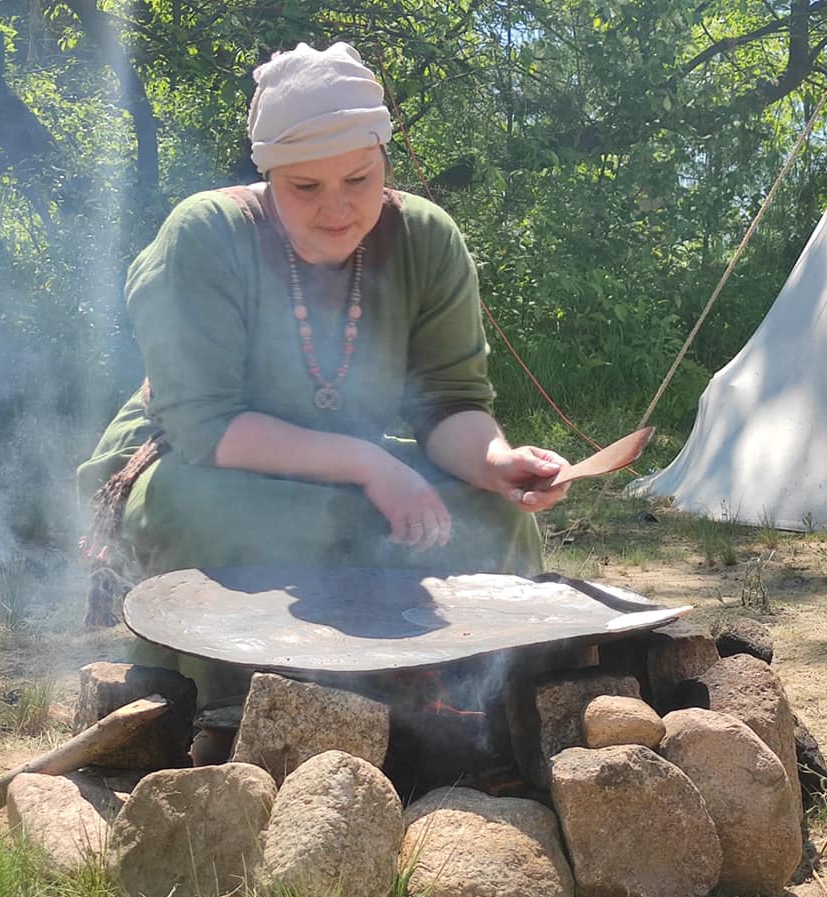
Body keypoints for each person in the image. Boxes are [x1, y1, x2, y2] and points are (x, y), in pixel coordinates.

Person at [77, 41, 570, 703]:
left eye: (359, 180)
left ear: (384, 161)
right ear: (269, 175)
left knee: (495, 514)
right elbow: (205, 429)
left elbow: (450, 405)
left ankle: (465, 703)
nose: (337, 208)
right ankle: (218, 710)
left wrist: (495, 461)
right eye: (306, 187)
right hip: (210, 465)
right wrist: (371, 467)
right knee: (195, 511)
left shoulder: (426, 239)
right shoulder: (205, 236)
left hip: (358, 465)